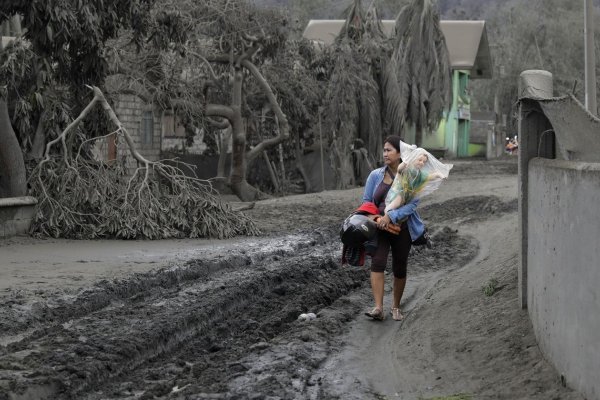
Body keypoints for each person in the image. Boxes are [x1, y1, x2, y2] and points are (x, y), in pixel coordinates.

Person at [361, 135, 426, 322]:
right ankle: (378, 308)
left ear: (400, 153)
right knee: (377, 262)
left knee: (400, 266)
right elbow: (367, 202)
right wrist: (375, 217)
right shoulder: (375, 175)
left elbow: (412, 205)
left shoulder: (413, 175)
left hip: (402, 228)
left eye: (389, 150)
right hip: (379, 227)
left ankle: (395, 307)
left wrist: (391, 216)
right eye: (384, 150)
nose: (385, 153)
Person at [383, 148, 449, 214]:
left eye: (424, 162)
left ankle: (392, 219)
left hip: (407, 196)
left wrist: (439, 174)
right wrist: (405, 162)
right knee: (395, 204)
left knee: (400, 209)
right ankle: (387, 212)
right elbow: (399, 169)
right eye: (420, 160)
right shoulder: (408, 168)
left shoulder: (419, 173)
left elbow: (429, 177)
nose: (421, 163)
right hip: (399, 193)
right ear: (413, 158)